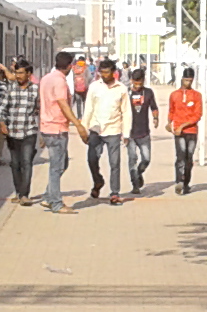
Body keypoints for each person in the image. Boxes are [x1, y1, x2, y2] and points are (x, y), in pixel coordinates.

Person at [38, 50, 81, 212]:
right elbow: (63, 104)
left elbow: (42, 103)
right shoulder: (60, 82)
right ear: (69, 66)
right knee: (56, 167)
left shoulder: (46, 79)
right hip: (57, 128)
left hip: (47, 126)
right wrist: (77, 124)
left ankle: (48, 196)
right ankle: (56, 203)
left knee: (63, 163)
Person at [82, 58, 130, 201]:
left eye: (107, 72)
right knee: (92, 159)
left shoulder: (121, 88)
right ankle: (98, 181)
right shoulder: (94, 87)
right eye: (102, 72)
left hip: (114, 129)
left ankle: (114, 192)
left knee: (114, 163)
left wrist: (126, 133)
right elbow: (88, 108)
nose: (104, 75)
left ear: (113, 72)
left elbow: (126, 112)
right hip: (96, 129)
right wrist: (83, 129)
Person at [0, 59, 41, 205]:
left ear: (29, 74)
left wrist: (43, 131)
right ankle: (18, 192)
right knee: (15, 164)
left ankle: (24, 194)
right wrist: (2, 123)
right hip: (12, 132)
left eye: (21, 73)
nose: (18, 76)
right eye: (16, 73)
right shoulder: (9, 89)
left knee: (27, 162)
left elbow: (41, 109)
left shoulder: (35, 90)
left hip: (29, 131)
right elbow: (2, 108)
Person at [169, 66, 205, 194]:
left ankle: (186, 183)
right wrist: (169, 123)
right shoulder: (174, 95)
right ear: (182, 79)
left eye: (190, 81)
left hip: (191, 131)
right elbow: (171, 111)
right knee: (181, 155)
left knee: (189, 157)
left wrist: (183, 125)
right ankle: (179, 181)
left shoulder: (196, 96)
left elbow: (197, 114)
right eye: (186, 80)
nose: (188, 83)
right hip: (179, 131)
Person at [125, 67, 159, 194]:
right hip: (130, 132)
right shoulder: (126, 93)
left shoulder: (148, 92)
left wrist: (155, 118)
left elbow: (154, 107)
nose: (137, 85)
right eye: (135, 82)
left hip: (144, 132)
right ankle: (135, 184)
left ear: (143, 80)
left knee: (146, 158)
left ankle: (139, 172)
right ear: (131, 80)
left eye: (140, 82)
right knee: (132, 158)